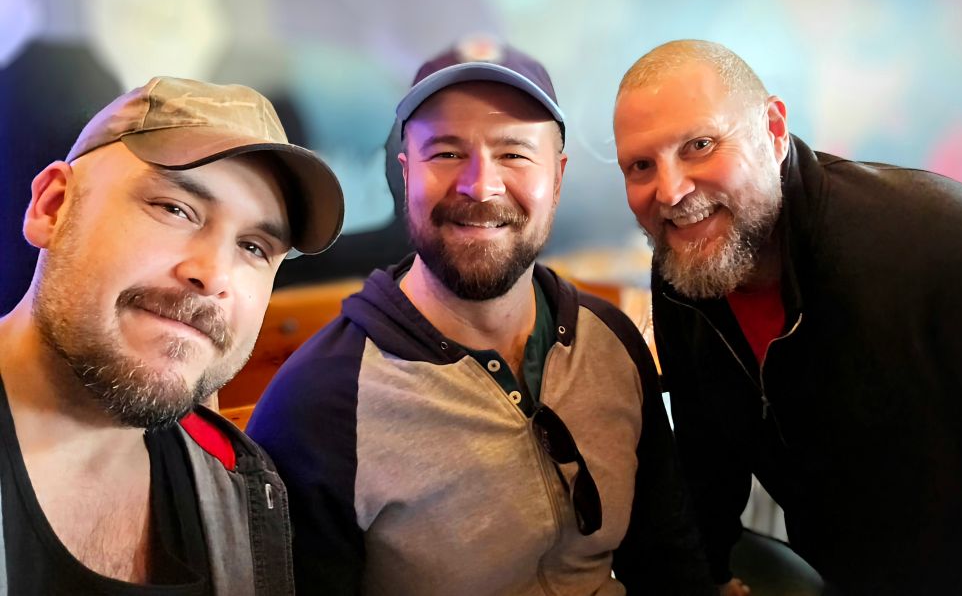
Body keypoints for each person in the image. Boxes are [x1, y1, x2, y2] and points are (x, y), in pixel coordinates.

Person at [248, 38, 717, 595]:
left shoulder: (610, 342)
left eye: (514, 153)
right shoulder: (320, 403)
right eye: (446, 153)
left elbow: (668, 562)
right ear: (405, 177)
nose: (481, 185)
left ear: (558, 177)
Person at [613, 39, 962, 595]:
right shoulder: (684, 267)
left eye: (699, 145)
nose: (671, 192)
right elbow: (705, 465)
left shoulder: (942, 249)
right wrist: (708, 579)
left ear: (773, 130)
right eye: (641, 165)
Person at [0, 76, 345, 594]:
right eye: (174, 209)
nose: (214, 274)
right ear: (53, 206)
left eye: (253, 247)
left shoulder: (241, 485)